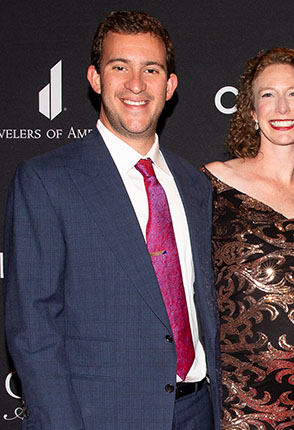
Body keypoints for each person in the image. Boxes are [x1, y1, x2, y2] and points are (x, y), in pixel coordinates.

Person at [4, 10, 221, 430]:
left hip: (197, 412)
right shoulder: (47, 180)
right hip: (100, 416)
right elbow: (33, 329)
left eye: (151, 70)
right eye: (120, 67)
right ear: (95, 78)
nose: (136, 84)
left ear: (169, 86)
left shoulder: (194, 184)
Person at [202, 48, 294, 429]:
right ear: (251, 111)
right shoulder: (213, 184)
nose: (282, 107)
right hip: (240, 402)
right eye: (268, 94)